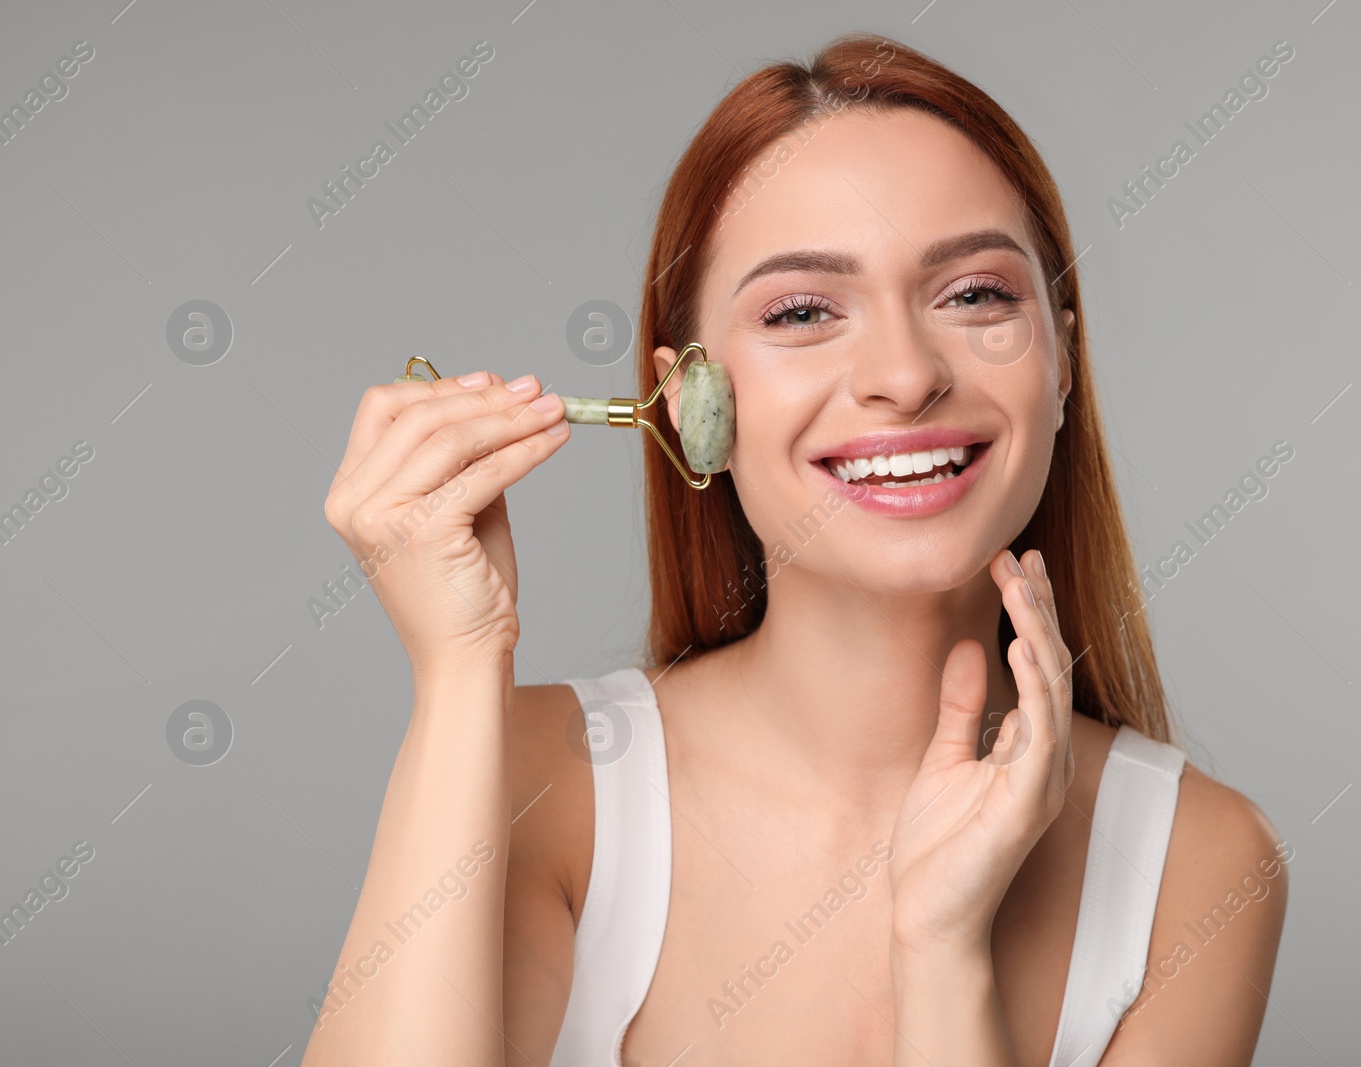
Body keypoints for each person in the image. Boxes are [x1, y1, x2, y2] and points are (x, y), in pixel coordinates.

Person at [306, 32, 1288, 1067]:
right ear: (690, 402)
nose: (905, 375)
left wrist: (942, 950)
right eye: (804, 310)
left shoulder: (1200, 861)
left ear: (1063, 364)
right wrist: (460, 668)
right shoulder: (540, 780)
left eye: (974, 295)